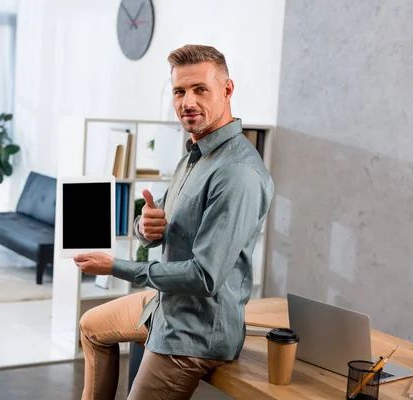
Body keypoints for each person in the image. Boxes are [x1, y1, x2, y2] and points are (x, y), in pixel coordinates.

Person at [73, 44, 274, 400]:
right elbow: (157, 222)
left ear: (227, 90)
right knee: (91, 326)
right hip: (165, 304)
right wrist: (144, 226)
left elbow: (205, 276)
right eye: (179, 91)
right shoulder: (194, 156)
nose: (187, 102)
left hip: (195, 332)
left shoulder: (237, 173)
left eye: (200, 89)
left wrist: (116, 267)